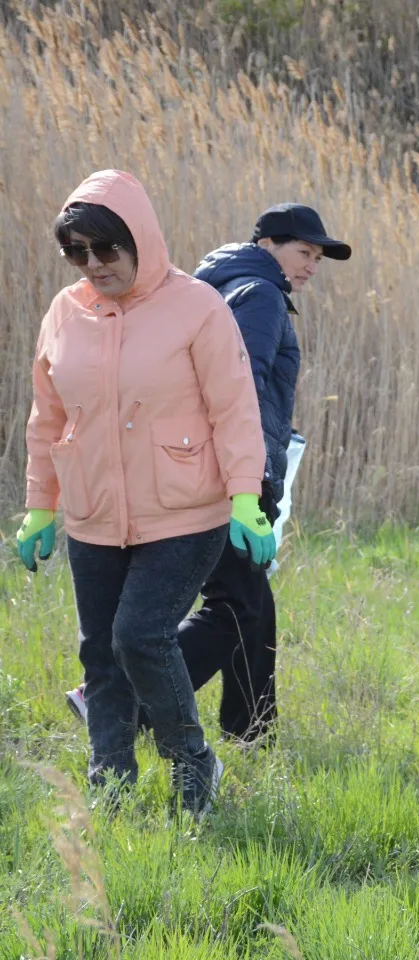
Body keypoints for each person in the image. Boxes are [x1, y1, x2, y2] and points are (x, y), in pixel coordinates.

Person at [15, 170, 273, 815]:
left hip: (187, 510)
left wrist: (245, 496)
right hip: (93, 510)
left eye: (106, 249)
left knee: (140, 635)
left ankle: (193, 761)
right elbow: (48, 417)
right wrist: (40, 504)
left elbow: (235, 409)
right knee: (99, 650)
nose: (93, 265)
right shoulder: (64, 312)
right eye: (77, 252)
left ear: (141, 241)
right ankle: (110, 778)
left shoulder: (197, 307)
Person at [62, 204, 350, 743]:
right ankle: (122, 702)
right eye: (305, 252)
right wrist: (250, 479)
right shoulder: (260, 296)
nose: (312, 265)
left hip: (202, 464)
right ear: (268, 245)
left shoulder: (210, 288)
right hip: (230, 471)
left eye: (317, 256)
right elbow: (244, 387)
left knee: (251, 603)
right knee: (237, 607)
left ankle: (251, 731)